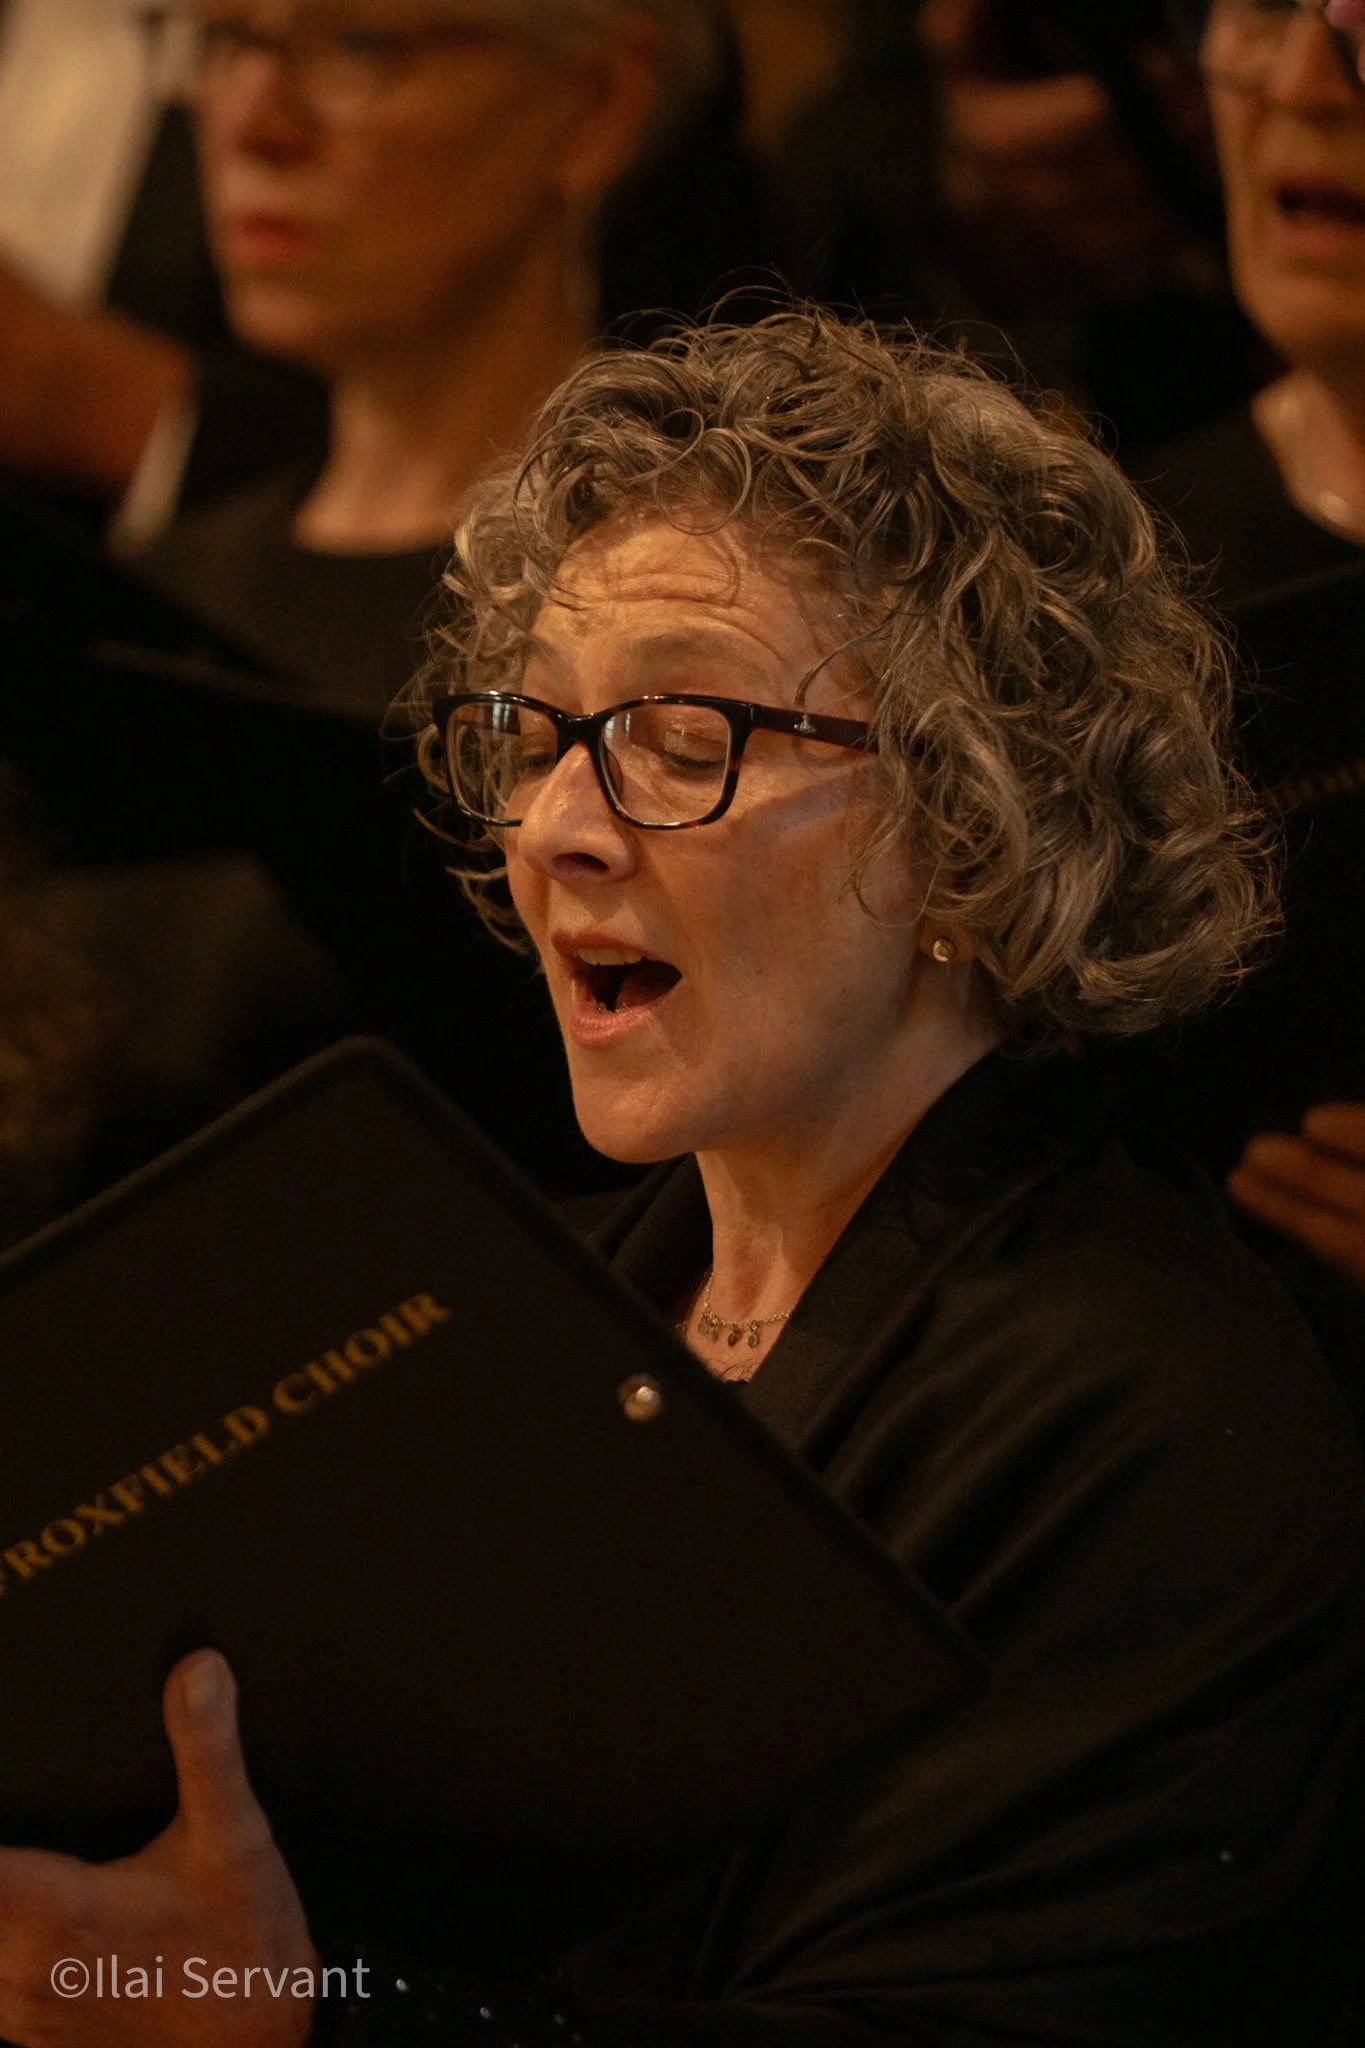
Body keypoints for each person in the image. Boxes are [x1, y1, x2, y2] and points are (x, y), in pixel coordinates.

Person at [0, 312, 1362, 2048]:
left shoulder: (1160, 1411)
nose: (561, 823)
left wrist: (311, 2024)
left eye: (676, 731)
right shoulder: (501, 1313)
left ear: (972, 817)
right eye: (537, 731)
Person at [134, 0, 721, 716]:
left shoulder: (688, 600)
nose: (253, 124)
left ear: (600, 107)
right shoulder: (154, 596)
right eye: (223, 38)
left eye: (359, 43)